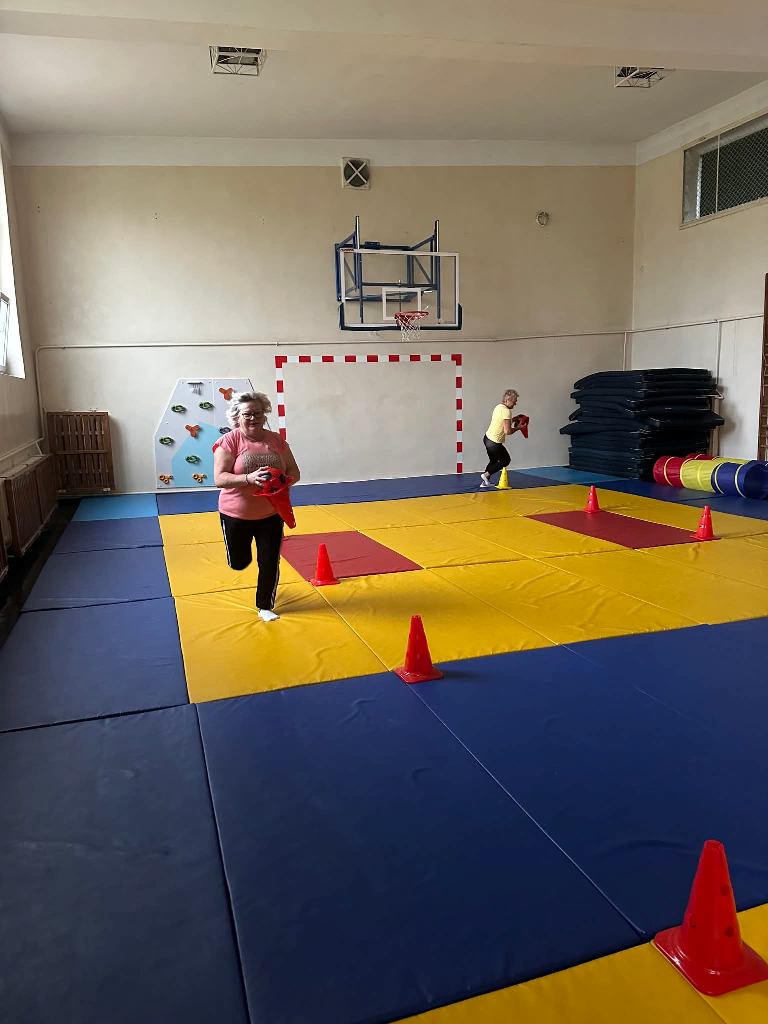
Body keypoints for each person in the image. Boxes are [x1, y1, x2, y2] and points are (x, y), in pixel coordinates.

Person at [213, 391, 300, 622]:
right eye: (247, 414)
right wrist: (249, 478)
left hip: (271, 513)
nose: (253, 418)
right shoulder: (229, 441)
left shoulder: (277, 440)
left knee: (269, 561)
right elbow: (220, 478)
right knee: (239, 562)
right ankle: (239, 559)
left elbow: (294, 471)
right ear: (237, 416)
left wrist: (281, 481)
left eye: (258, 413)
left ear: (265, 414)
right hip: (235, 513)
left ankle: (265, 606)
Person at [480, 388, 520, 488]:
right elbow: (508, 431)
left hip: (487, 439)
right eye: (514, 402)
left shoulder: (498, 407)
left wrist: (514, 419)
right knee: (506, 460)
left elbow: (502, 421)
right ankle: (486, 475)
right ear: (508, 400)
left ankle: (484, 482)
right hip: (494, 443)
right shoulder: (506, 411)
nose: (515, 404)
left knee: (493, 461)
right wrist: (518, 428)